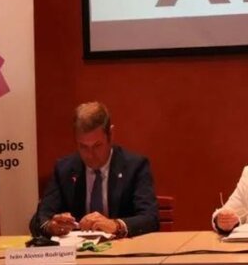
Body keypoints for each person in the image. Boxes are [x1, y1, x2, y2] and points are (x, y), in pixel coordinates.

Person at [30, 102, 159, 238]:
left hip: (122, 252)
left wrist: (116, 225)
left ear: (111, 134)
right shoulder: (64, 169)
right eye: (83, 147)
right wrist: (52, 226)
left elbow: (150, 218)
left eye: (97, 146)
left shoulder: (135, 167)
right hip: (77, 254)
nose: (90, 155)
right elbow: (39, 220)